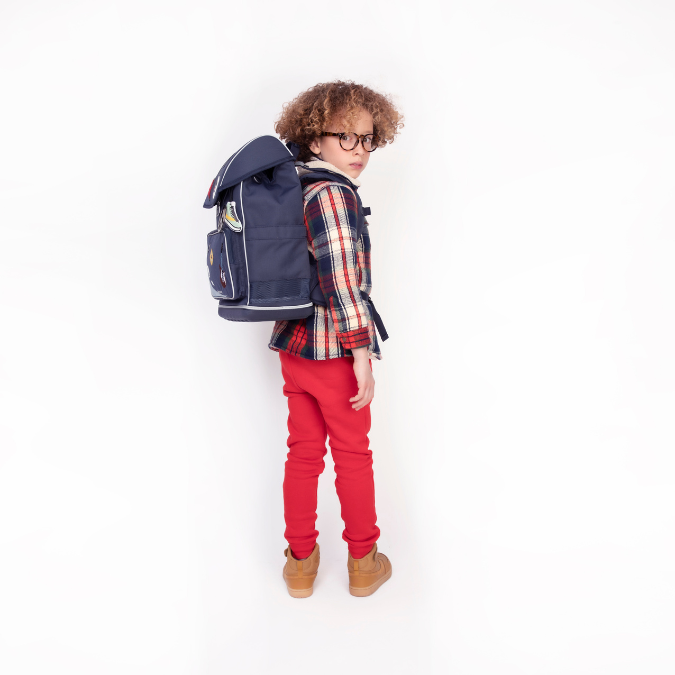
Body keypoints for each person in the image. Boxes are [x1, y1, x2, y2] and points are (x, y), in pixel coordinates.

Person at [268, 80, 404, 597]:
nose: (359, 150)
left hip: (294, 348)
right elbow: (342, 279)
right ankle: (364, 562)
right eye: (344, 137)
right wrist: (361, 353)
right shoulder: (333, 194)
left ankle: (300, 564)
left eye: (367, 138)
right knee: (352, 455)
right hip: (333, 353)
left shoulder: (299, 186)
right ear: (314, 137)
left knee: (303, 453)